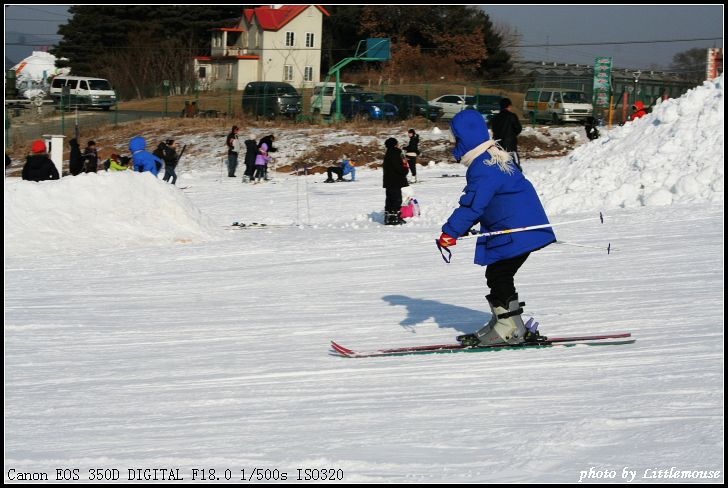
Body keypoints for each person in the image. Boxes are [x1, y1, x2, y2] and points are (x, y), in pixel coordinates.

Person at [437, 109, 556, 346]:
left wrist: (450, 232)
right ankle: (508, 325)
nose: (453, 143)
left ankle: (509, 328)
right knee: (499, 273)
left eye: (455, 138)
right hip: (521, 228)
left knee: (499, 274)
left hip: (517, 232)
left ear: (465, 138)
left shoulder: (484, 167)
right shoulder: (494, 157)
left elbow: (473, 205)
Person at [489, 97, 523, 172]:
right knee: (515, 164)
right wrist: (512, 135)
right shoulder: (512, 116)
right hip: (510, 145)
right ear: (509, 106)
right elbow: (518, 129)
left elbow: (493, 130)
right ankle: (516, 177)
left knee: (501, 164)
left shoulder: (495, 118)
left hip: (498, 145)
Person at [382, 137, 409, 225]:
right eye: (397, 143)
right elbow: (399, 168)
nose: (398, 145)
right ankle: (394, 218)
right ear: (395, 145)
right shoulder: (395, 153)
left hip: (389, 181)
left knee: (389, 199)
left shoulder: (388, 153)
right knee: (396, 199)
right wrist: (405, 168)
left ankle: (389, 217)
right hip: (395, 181)